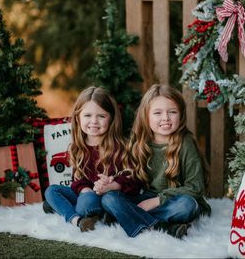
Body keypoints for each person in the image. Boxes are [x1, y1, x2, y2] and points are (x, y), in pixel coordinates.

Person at [101, 84, 211, 239]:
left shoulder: (185, 143)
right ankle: (164, 227)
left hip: (175, 200)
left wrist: (157, 200)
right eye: (157, 113)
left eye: (172, 112)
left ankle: (132, 221)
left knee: (187, 206)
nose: (165, 118)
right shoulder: (139, 143)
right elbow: (130, 180)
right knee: (109, 199)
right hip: (146, 198)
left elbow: (195, 187)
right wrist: (113, 182)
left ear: (180, 114)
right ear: (146, 117)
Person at [44, 86, 139, 232]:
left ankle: (78, 211)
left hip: (109, 197)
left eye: (101, 116)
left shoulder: (120, 147)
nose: (94, 121)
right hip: (87, 195)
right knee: (51, 191)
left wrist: (111, 185)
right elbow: (77, 179)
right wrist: (85, 189)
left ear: (111, 118)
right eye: (87, 116)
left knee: (85, 205)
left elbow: (133, 181)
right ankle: (78, 220)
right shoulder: (78, 147)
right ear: (78, 117)